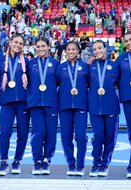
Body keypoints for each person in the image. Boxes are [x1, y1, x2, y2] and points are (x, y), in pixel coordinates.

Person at [0, 34, 30, 176]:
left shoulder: (26, 61)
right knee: (5, 132)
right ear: (10, 42)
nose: (18, 45)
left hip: (23, 102)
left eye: (21, 43)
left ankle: (17, 161)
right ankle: (3, 162)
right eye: (16, 42)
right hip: (7, 102)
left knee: (23, 133)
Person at [56, 42, 89, 176]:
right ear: (65, 52)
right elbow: (56, 83)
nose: (71, 52)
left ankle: (80, 165)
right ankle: (71, 164)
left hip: (81, 105)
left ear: (78, 51)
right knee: (66, 137)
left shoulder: (86, 67)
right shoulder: (60, 68)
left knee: (81, 136)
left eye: (73, 49)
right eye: (68, 49)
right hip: (64, 106)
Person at [27, 37, 59, 175]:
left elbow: (58, 81)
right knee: (38, 132)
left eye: (43, 46)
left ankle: (47, 159)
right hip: (35, 103)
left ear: (48, 47)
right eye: (38, 46)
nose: (40, 49)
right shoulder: (30, 64)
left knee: (51, 133)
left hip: (51, 102)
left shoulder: (55, 63)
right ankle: (37, 160)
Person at [89, 40, 120, 177]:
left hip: (111, 106)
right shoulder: (89, 66)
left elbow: (121, 83)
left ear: (105, 49)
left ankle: (105, 164)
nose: (97, 51)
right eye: (94, 49)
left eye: (99, 48)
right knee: (98, 136)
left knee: (110, 137)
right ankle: (96, 163)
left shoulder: (115, 66)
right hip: (95, 107)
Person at [116, 32, 131, 178]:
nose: (128, 42)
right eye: (126, 41)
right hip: (129, 99)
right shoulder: (121, 59)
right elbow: (111, 77)